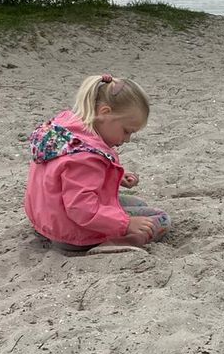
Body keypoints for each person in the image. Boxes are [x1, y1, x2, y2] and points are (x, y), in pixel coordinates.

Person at [24, 74, 170, 252]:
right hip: (72, 232)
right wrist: (126, 224)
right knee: (160, 219)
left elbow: (66, 176)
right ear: (105, 112)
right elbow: (81, 208)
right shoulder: (86, 157)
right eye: (126, 131)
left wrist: (112, 173)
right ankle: (112, 244)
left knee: (138, 204)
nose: (127, 139)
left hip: (47, 218)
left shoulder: (66, 129)